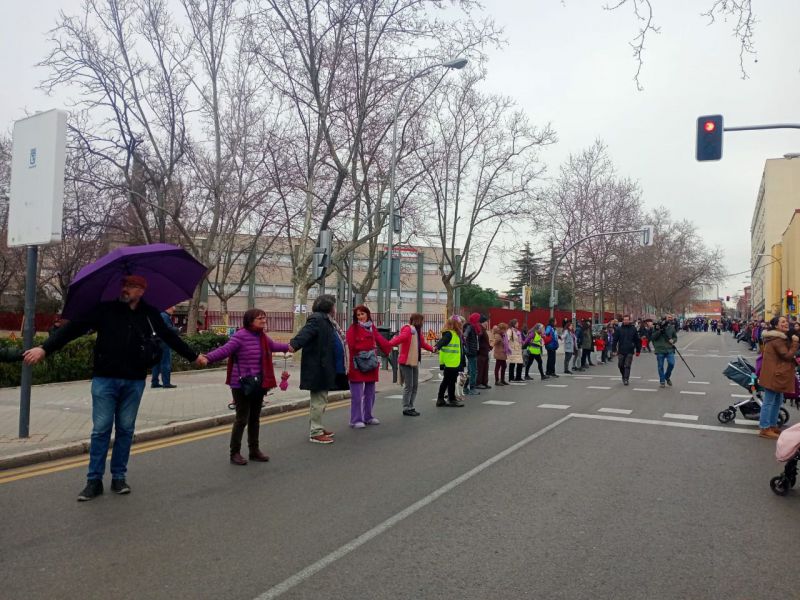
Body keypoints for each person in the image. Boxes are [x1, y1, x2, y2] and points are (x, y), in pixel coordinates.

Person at [23, 274, 204, 501]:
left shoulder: (150, 315)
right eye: (124, 285)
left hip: (134, 380)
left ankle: (118, 477)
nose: (125, 289)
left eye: (131, 286)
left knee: (126, 430)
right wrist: (44, 348)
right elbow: (73, 329)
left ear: (142, 290)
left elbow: (169, 337)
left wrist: (194, 357)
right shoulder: (105, 310)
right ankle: (93, 481)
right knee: (101, 430)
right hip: (105, 380)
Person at [201, 309, 290, 464]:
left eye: (264, 318)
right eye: (260, 318)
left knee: (255, 418)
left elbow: (273, 346)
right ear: (250, 320)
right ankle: (234, 453)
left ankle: (254, 451)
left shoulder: (262, 337)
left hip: (258, 383)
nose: (264, 320)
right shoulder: (240, 336)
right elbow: (225, 350)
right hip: (240, 384)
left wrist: (288, 347)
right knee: (242, 419)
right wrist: (207, 358)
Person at [288, 294, 342, 444]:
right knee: (318, 400)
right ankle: (315, 431)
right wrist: (294, 345)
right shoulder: (317, 319)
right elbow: (305, 334)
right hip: (318, 367)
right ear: (329, 307)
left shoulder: (327, 321)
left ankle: (317, 426)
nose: (335, 309)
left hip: (324, 366)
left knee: (321, 399)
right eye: (334, 306)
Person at [345, 304, 395, 428]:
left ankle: (368, 416)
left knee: (370, 393)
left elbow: (381, 340)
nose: (361, 316)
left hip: (371, 363)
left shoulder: (372, 327)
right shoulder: (353, 328)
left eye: (363, 314)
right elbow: (350, 346)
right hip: (356, 364)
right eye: (358, 315)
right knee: (357, 395)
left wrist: (391, 346)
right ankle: (355, 419)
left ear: (367, 314)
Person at [758, 316, 799, 439]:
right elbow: (786, 356)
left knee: (777, 401)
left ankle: (772, 425)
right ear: (776, 326)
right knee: (769, 402)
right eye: (782, 322)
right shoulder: (777, 339)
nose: (786, 323)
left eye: (786, 321)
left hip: (776, 374)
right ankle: (765, 428)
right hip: (774, 375)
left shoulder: (780, 337)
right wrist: (795, 343)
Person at [389, 313, 435, 416]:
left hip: (414, 361)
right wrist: (388, 344)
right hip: (406, 361)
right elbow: (400, 338)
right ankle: (406, 407)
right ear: (418, 321)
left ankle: (411, 406)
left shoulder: (418, 332)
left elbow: (422, 344)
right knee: (409, 386)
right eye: (422, 321)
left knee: (415, 386)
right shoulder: (409, 329)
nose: (423, 323)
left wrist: (433, 349)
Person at [435, 316, 465, 407]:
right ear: (455, 324)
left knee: (449, 381)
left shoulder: (455, 334)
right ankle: (446, 399)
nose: (461, 325)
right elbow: (442, 341)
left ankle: (447, 399)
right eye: (460, 324)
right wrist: (436, 347)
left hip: (453, 362)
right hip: (450, 362)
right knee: (448, 381)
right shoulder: (449, 334)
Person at [151, 306, 178, 388]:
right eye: (173, 307)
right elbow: (168, 329)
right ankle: (166, 383)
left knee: (157, 363)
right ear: (167, 308)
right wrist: (177, 329)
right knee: (165, 362)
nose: (174, 309)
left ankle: (154, 382)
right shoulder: (165, 316)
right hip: (164, 342)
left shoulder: (159, 315)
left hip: (156, 342)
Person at [612, 314, 641, 386]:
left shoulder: (633, 329)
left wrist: (638, 350)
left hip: (630, 350)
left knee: (627, 365)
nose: (626, 321)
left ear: (629, 320)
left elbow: (637, 340)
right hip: (621, 350)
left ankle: (626, 379)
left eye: (627, 320)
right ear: (623, 320)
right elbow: (615, 340)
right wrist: (614, 349)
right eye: (624, 320)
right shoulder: (619, 329)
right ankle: (623, 375)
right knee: (620, 365)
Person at [651, 314, 678, 387]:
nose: (670, 319)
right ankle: (662, 381)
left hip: (669, 349)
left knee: (671, 363)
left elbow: (675, 337)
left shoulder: (671, 327)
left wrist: (673, 340)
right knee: (660, 366)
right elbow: (653, 337)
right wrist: (659, 330)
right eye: (668, 318)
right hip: (660, 349)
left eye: (670, 318)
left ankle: (666, 376)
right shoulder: (656, 327)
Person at [462, 313, 481, 394]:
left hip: (473, 351)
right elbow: (465, 335)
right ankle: (472, 388)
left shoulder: (475, 327)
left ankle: (465, 387)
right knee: (473, 370)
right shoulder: (470, 326)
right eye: (478, 319)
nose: (479, 321)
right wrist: (465, 344)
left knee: (470, 371)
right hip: (471, 352)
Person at [475, 315, 492, 389]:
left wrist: (489, 347)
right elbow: (478, 341)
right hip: (481, 352)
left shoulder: (483, 329)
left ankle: (484, 382)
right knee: (480, 369)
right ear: (482, 322)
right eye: (486, 322)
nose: (487, 323)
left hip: (485, 352)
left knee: (485, 368)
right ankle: (478, 383)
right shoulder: (480, 329)